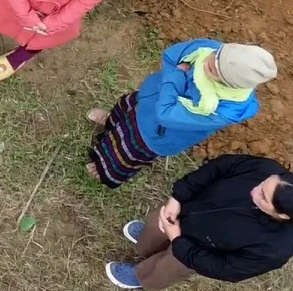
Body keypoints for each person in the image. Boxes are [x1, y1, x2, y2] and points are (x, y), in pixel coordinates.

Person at [105, 154, 293, 291]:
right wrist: (178, 198)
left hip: (197, 252)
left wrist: (178, 240)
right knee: (155, 225)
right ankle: (149, 242)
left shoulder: (277, 248)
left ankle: (142, 276)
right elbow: (217, 168)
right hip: (182, 211)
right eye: (263, 184)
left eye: (263, 197)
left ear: (283, 216)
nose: (254, 190)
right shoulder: (264, 168)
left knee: (169, 265)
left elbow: (226, 269)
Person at [87, 41, 276, 189]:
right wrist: (173, 79)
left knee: (127, 150)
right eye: (216, 55)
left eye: (217, 71)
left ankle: (105, 168)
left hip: (154, 133)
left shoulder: (220, 109)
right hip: (148, 98)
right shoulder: (216, 51)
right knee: (126, 111)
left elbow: (166, 115)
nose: (210, 61)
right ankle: (111, 122)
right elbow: (171, 55)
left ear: (231, 84)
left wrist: (175, 76)